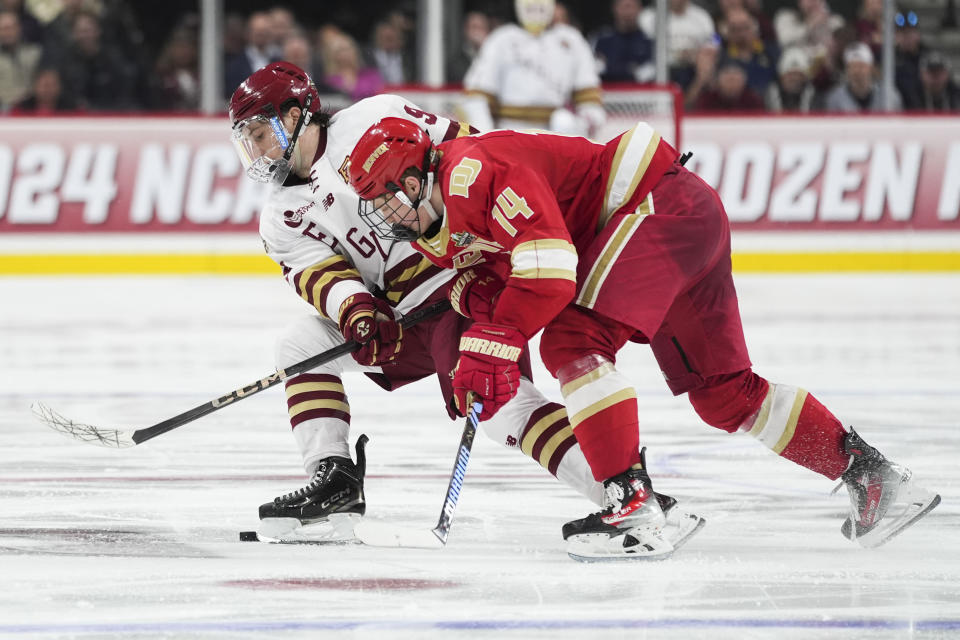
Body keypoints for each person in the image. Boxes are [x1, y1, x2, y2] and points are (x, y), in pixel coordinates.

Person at [345, 116, 941, 560]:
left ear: (413, 178)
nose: (386, 219)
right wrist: (474, 302)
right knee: (724, 394)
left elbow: (551, 271)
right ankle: (877, 479)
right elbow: (509, 265)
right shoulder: (433, 216)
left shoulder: (473, 173)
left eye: (385, 201)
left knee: (572, 342)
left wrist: (495, 335)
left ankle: (631, 503)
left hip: (654, 208)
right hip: (678, 214)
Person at [228, 62, 699, 545]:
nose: (257, 151)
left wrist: (492, 258)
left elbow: (466, 158)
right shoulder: (278, 219)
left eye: (261, 134)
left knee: (494, 405)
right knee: (299, 345)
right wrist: (357, 313)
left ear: (292, 117)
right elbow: (319, 274)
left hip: (463, 283)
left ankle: (624, 494)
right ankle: (335, 481)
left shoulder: (374, 118)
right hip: (398, 318)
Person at [460, 0, 605, 137]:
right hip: (508, 135)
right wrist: (487, 137)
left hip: (556, 138)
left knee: (563, 120)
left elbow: (590, 101)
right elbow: (475, 98)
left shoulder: (571, 40)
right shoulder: (501, 40)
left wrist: (581, 126)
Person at [824, 41, 902, 112]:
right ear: (847, 69)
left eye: (861, 66)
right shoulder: (835, 98)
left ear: (871, 68)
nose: (857, 71)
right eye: (853, 66)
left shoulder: (889, 96)